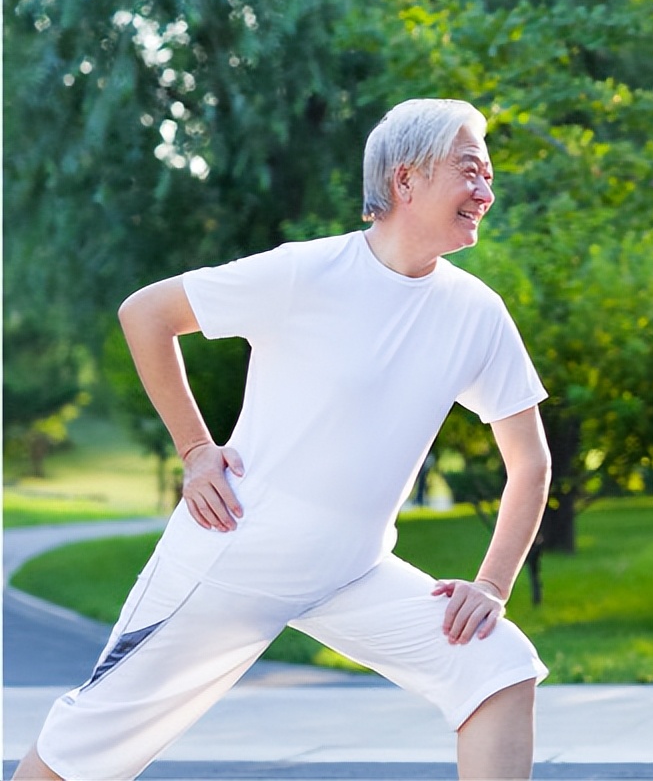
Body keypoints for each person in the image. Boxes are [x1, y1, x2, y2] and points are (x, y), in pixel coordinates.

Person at [15, 98, 552, 781]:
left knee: (498, 669)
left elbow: (529, 463)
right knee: (82, 753)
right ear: (405, 180)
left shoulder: (476, 312)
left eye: (488, 175)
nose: (486, 190)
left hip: (351, 570)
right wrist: (195, 451)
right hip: (235, 553)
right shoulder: (307, 273)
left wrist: (491, 586)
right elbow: (145, 314)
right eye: (470, 170)